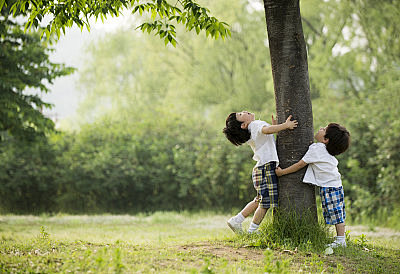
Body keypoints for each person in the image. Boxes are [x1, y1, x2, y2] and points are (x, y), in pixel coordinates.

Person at [275, 123, 350, 247]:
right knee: (338, 213)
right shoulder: (323, 149)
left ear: (326, 140)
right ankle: (340, 239)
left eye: (324, 129)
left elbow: (300, 164)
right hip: (335, 185)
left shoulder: (317, 149)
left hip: (330, 187)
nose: (320, 128)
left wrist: (283, 172)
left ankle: (341, 240)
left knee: (337, 214)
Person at [223, 111, 298, 234]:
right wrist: (285, 125)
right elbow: (266, 131)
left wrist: (276, 128)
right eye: (241, 114)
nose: (244, 111)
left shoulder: (251, 130)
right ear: (243, 125)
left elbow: (267, 137)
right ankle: (252, 230)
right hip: (266, 168)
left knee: (259, 199)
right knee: (265, 203)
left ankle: (237, 220)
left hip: (261, 168)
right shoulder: (255, 124)